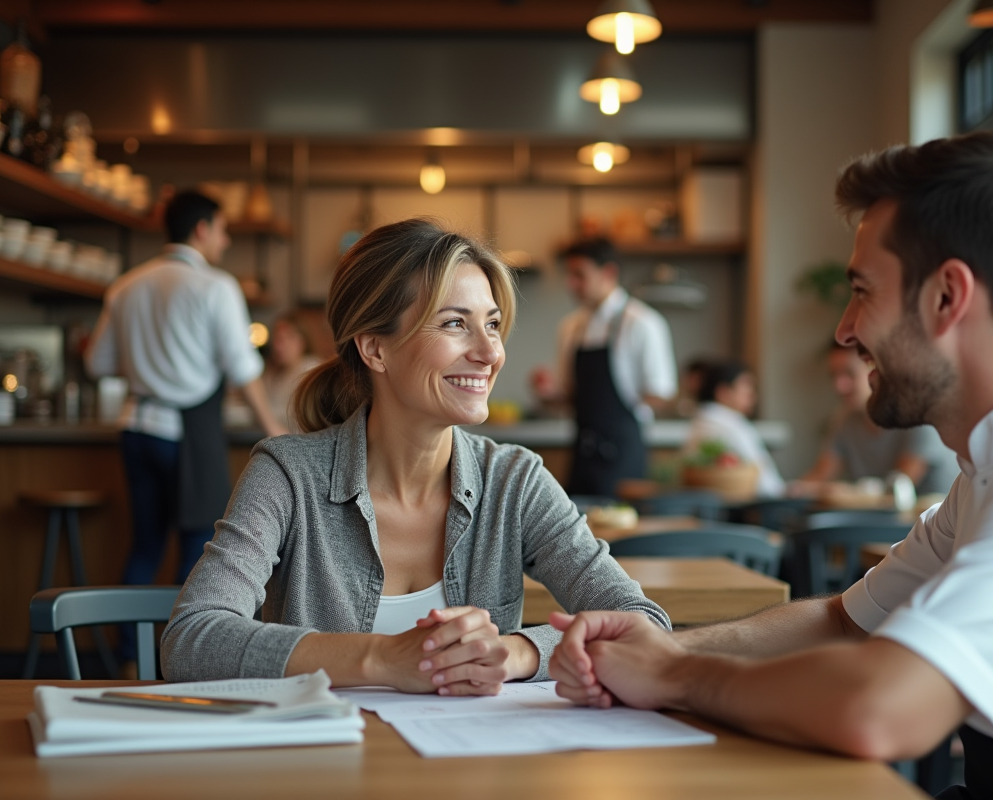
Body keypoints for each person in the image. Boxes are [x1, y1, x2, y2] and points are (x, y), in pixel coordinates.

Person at [548, 131, 993, 800]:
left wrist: (675, 679)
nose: (845, 330)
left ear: (947, 297)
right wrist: (667, 647)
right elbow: (844, 623)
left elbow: (881, 710)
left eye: (862, 290)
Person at [162, 218, 670, 692]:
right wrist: (382, 659)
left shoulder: (515, 480)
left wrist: (514, 654)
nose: (490, 353)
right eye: (454, 324)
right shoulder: (288, 474)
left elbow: (641, 622)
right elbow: (190, 639)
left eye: (492, 325)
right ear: (374, 348)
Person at [86, 189, 286, 665]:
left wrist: (150, 363)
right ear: (201, 229)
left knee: (145, 544)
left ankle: (127, 661)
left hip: (136, 426)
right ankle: (180, 659)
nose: (225, 239)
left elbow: (97, 362)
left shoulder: (126, 285)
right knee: (197, 548)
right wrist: (276, 432)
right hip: (187, 435)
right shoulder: (215, 286)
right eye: (222, 229)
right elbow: (243, 370)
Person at [531, 238, 677, 497]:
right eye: (569, 275)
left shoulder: (642, 323)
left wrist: (622, 406)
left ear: (608, 272)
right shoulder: (570, 327)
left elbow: (662, 394)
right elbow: (570, 398)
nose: (571, 284)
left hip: (624, 454)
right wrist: (549, 393)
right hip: (581, 454)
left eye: (580, 275)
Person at [795, 340, 959, 495]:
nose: (839, 386)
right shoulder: (845, 421)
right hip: (883, 520)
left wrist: (842, 492)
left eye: (849, 374)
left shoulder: (920, 415)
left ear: (878, 370)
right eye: (834, 376)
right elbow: (818, 476)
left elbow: (900, 487)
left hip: (932, 522)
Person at [683, 359, 785, 497]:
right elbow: (764, 483)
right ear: (723, 393)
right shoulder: (728, 426)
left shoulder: (703, 422)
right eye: (747, 388)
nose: (752, 396)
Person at [262, 311, 322, 433]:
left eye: (288, 337)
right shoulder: (274, 372)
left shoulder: (311, 370)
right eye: (277, 338)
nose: (279, 346)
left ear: (303, 340)